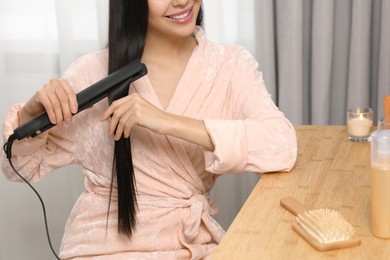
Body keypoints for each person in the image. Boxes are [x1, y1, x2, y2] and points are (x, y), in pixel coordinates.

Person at [1, 0, 297, 259]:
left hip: (190, 246)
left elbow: (281, 146)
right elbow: (18, 169)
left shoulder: (230, 66)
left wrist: (166, 122)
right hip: (98, 249)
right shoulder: (90, 73)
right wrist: (31, 111)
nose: (182, 1)